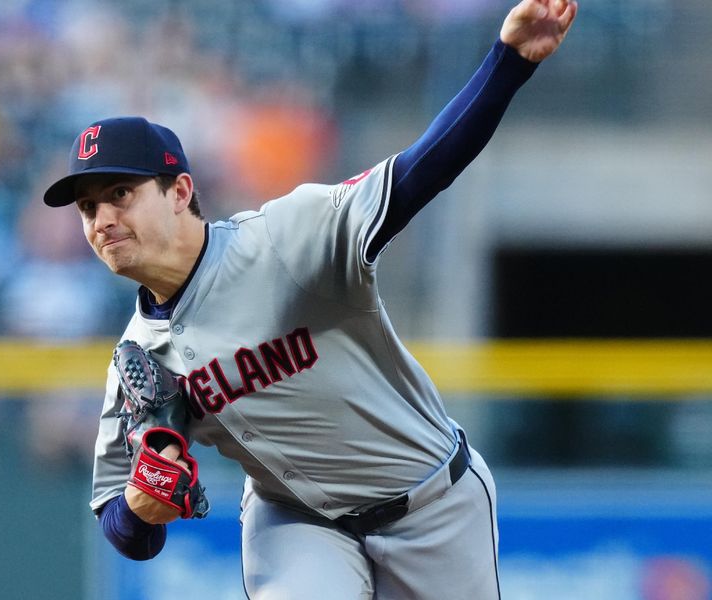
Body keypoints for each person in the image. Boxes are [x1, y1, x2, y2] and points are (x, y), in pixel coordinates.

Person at [43, 1, 577, 598]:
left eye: (120, 192)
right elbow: (123, 530)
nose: (102, 219)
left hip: (432, 502)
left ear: (180, 191)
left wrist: (508, 64)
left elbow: (421, 172)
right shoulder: (139, 360)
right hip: (296, 521)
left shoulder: (283, 238)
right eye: (88, 206)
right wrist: (141, 508)